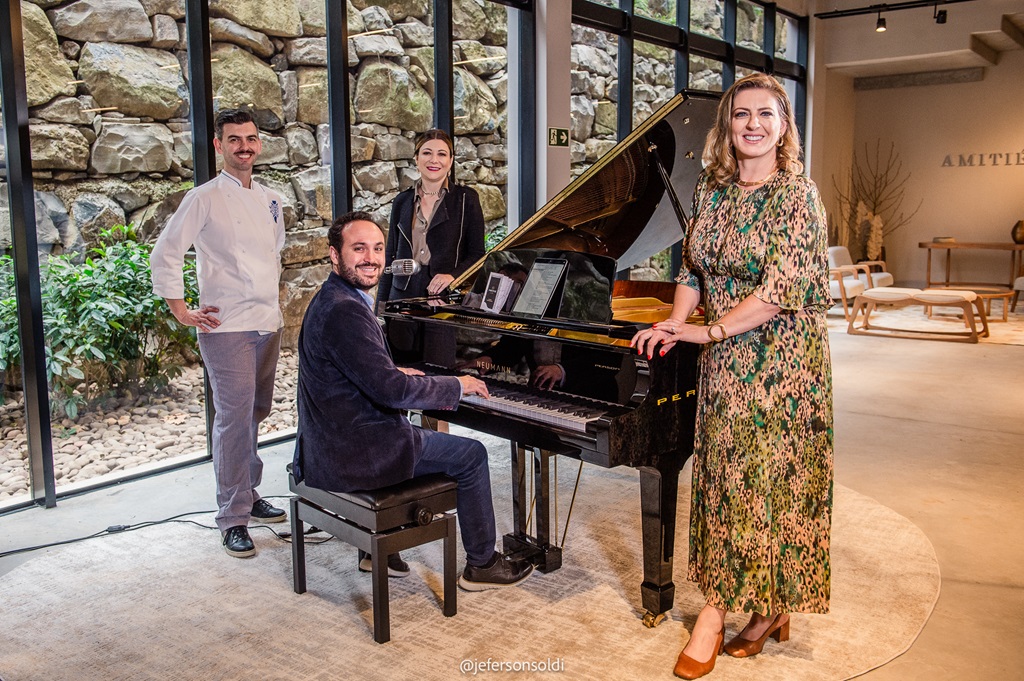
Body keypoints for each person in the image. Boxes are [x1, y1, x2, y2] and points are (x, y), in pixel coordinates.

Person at [631, 73, 833, 680]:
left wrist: (707, 332)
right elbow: (691, 270)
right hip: (726, 365)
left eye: (765, 114)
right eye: (741, 114)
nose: (752, 124)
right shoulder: (712, 191)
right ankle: (760, 607)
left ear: (783, 126)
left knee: (772, 484)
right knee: (724, 481)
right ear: (727, 125)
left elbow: (778, 291)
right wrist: (676, 322)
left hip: (784, 365)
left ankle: (721, 614)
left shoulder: (798, 196)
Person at [292, 210, 534, 591]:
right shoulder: (345, 310)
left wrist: (393, 372)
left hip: (330, 443)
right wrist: (456, 385)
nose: (371, 258)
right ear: (334, 255)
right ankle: (483, 565)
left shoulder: (332, 298)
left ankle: (376, 550)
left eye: (377, 248)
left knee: (433, 434)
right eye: (359, 249)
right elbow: (392, 391)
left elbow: (359, 372)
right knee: (472, 455)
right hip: (360, 453)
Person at [151, 108, 287, 559]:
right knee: (233, 417)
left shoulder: (271, 199)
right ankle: (232, 517)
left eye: (250, 139)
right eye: (234, 140)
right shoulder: (203, 198)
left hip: (266, 320)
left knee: (256, 412)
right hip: (226, 325)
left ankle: (247, 491)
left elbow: (274, 253)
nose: (244, 147)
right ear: (219, 145)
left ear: (258, 144)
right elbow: (166, 252)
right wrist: (181, 310)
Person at [377, 128, 486, 306]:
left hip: (442, 295)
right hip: (401, 295)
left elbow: (477, 255)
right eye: (427, 153)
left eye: (442, 154)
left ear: (450, 161)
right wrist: (380, 308)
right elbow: (390, 257)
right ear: (416, 158)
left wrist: (452, 276)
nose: (434, 160)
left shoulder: (466, 199)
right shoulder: (402, 201)